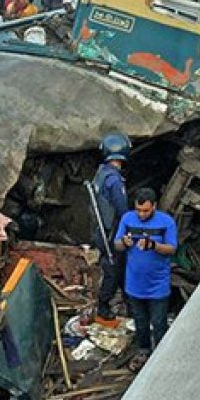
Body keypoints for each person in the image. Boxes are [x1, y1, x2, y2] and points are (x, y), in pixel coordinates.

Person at [112, 187, 178, 370]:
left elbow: (172, 248)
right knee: (140, 322)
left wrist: (154, 245)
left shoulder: (166, 222)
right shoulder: (127, 219)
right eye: (139, 210)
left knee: (158, 322)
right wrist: (123, 243)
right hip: (134, 284)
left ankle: (162, 356)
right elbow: (117, 244)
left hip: (158, 284)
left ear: (154, 206)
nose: (141, 214)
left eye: (146, 211)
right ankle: (144, 351)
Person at [90, 133, 130, 326]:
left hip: (102, 230)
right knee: (113, 271)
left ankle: (130, 304)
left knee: (119, 269)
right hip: (112, 233)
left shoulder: (101, 173)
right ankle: (103, 308)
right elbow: (122, 210)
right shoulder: (114, 180)